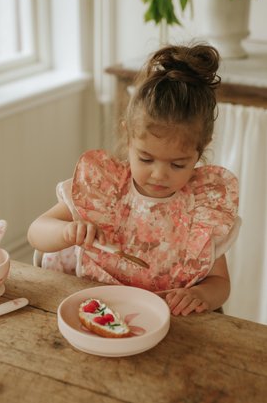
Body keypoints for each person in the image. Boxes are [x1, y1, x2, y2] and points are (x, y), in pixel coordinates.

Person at [28, 43, 241, 316]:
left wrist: (200, 294)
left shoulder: (202, 206)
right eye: (146, 159)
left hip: (165, 325)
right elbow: (36, 231)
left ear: (201, 149)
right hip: (90, 312)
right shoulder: (103, 187)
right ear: (128, 136)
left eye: (178, 164)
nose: (159, 174)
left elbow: (220, 283)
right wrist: (66, 232)